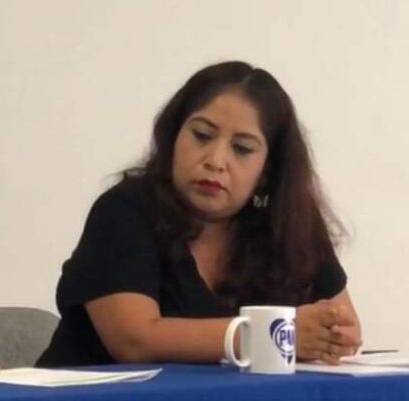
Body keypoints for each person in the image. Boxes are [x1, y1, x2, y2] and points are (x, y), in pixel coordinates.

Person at [37, 61, 362, 367]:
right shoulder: (125, 210)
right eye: (202, 135)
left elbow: (345, 327)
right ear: (173, 137)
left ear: (266, 171)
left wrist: (333, 335)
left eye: (242, 149)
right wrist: (270, 336)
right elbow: (134, 340)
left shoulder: (290, 225)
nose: (216, 161)